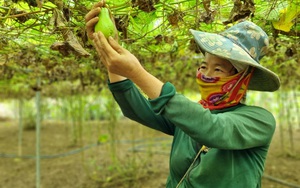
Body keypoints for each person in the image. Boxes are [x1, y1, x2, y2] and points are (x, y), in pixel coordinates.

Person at [85, 1, 280, 187]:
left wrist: (137, 72)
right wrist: (109, 51)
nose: (206, 75)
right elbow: (137, 108)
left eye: (218, 70)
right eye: (203, 66)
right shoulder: (189, 115)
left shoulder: (260, 121)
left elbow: (213, 129)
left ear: (242, 80)